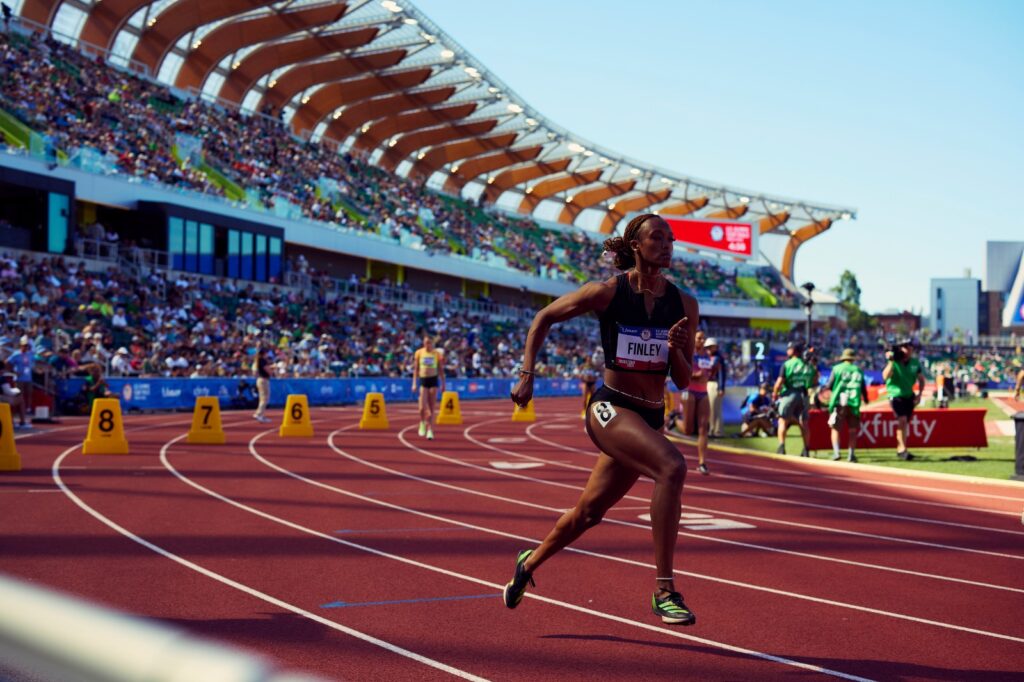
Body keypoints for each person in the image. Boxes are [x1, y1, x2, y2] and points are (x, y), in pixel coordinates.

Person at [504, 213, 698, 625]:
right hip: (609, 408)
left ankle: (528, 563)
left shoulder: (684, 304)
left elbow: (683, 380)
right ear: (636, 245)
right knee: (672, 467)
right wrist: (527, 372)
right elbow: (543, 317)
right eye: (657, 238)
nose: (667, 245)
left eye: (670, 238)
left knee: (589, 513)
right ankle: (665, 590)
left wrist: (675, 349)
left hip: (648, 416)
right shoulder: (607, 292)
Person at [772, 340, 817, 457]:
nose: (787, 350)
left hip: (789, 393)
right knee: (804, 423)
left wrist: (774, 394)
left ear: (794, 351)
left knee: (783, 421)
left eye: (789, 348)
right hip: (804, 395)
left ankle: (781, 447)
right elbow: (814, 381)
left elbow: (779, 382)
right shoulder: (808, 365)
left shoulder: (787, 364)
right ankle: (806, 450)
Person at [882, 339, 925, 460]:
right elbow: (885, 376)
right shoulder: (894, 361)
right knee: (902, 420)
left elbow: (921, 379)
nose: (907, 350)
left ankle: (902, 449)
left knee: (905, 423)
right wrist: (891, 361)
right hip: (896, 395)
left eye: (908, 347)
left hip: (909, 395)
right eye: (904, 347)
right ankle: (902, 449)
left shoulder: (915, 363)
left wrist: (919, 394)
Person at [827, 348, 868, 463]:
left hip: (838, 403)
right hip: (853, 403)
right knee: (853, 430)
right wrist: (866, 400)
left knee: (835, 428)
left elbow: (829, 385)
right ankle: (851, 454)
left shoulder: (837, 369)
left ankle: (836, 452)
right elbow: (863, 388)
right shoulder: (858, 370)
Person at [685, 331, 712, 475]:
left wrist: (710, 374)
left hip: (703, 392)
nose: (702, 340)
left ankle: (702, 463)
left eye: (703, 338)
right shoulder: (688, 353)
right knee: (688, 430)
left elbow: (708, 373)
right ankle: (675, 420)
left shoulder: (707, 355)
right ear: (694, 339)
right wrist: (696, 375)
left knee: (703, 429)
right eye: (699, 338)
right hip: (689, 391)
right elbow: (682, 372)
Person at [412, 335, 444, 440]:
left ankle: (430, 429)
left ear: (432, 343)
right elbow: (416, 369)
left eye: (429, 343)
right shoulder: (419, 353)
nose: (427, 345)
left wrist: (443, 383)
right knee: (422, 407)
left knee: (431, 408)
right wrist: (414, 383)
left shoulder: (437, 354)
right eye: (425, 343)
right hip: (423, 380)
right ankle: (422, 422)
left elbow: (441, 370)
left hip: (433, 380)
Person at [6, 336, 36, 428]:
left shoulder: (30, 354)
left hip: (28, 378)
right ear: (21, 346)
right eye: (24, 346)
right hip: (19, 379)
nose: (26, 347)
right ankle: (18, 416)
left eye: (27, 346)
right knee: (19, 397)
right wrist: (13, 372)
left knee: (29, 393)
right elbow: (7, 362)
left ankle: (28, 409)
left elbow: (33, 363)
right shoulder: (16, 354)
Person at [703, 338, 726, 437]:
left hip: (714, 384)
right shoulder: (708, 357)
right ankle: (716, 431)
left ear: (716, 347)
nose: (709, 349)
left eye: (711, 347)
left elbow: (721, 373)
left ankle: (714, 431)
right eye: (707, 347)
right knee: (713, 408)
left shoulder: (718, 358)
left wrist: (721, 388)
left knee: (713, 408)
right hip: (707, 383)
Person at [252, 346, 271, 423]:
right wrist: (272, 370)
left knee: (263, 398)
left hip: (260, 379)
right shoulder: (262, 360)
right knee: (264, 398)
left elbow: (255, 372)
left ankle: (260, 414)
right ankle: (259, 414)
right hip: (263, 380)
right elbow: (268, 370)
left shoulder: (257, 360)